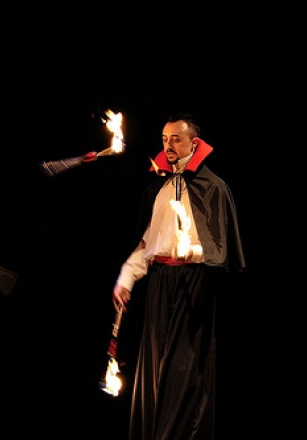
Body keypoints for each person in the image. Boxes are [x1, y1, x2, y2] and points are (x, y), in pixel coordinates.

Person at [112, 112, 246, 440]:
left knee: (185, 373)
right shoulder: (158, 187)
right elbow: (147, 242)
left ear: (193, 143)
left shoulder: (213, 187)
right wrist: (127, 277)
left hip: (196, 284)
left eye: (175, 138)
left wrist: (195, 253)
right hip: (161, 283)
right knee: (155, 370)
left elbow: (221, 247)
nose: (168, 145)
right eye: (164, 139)